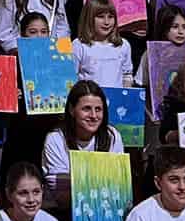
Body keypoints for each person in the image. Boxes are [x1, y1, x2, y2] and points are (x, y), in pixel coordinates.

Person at [42, 81, 125, 209]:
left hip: (104, 209)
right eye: (86, 109)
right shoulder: (55, 139)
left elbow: (118, 184)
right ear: (72, 110)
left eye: (98, 109)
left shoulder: (112, 136)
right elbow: (60, 192)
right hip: (61, 210)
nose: (93, 116)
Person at [73, 0, 133, 88]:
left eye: (110, 17)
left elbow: (127, 75)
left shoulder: (123, 45)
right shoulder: (79, 45)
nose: (106, 22)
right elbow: (72, 77)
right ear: (89, 18)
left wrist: (125, 91)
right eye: (101, 17)